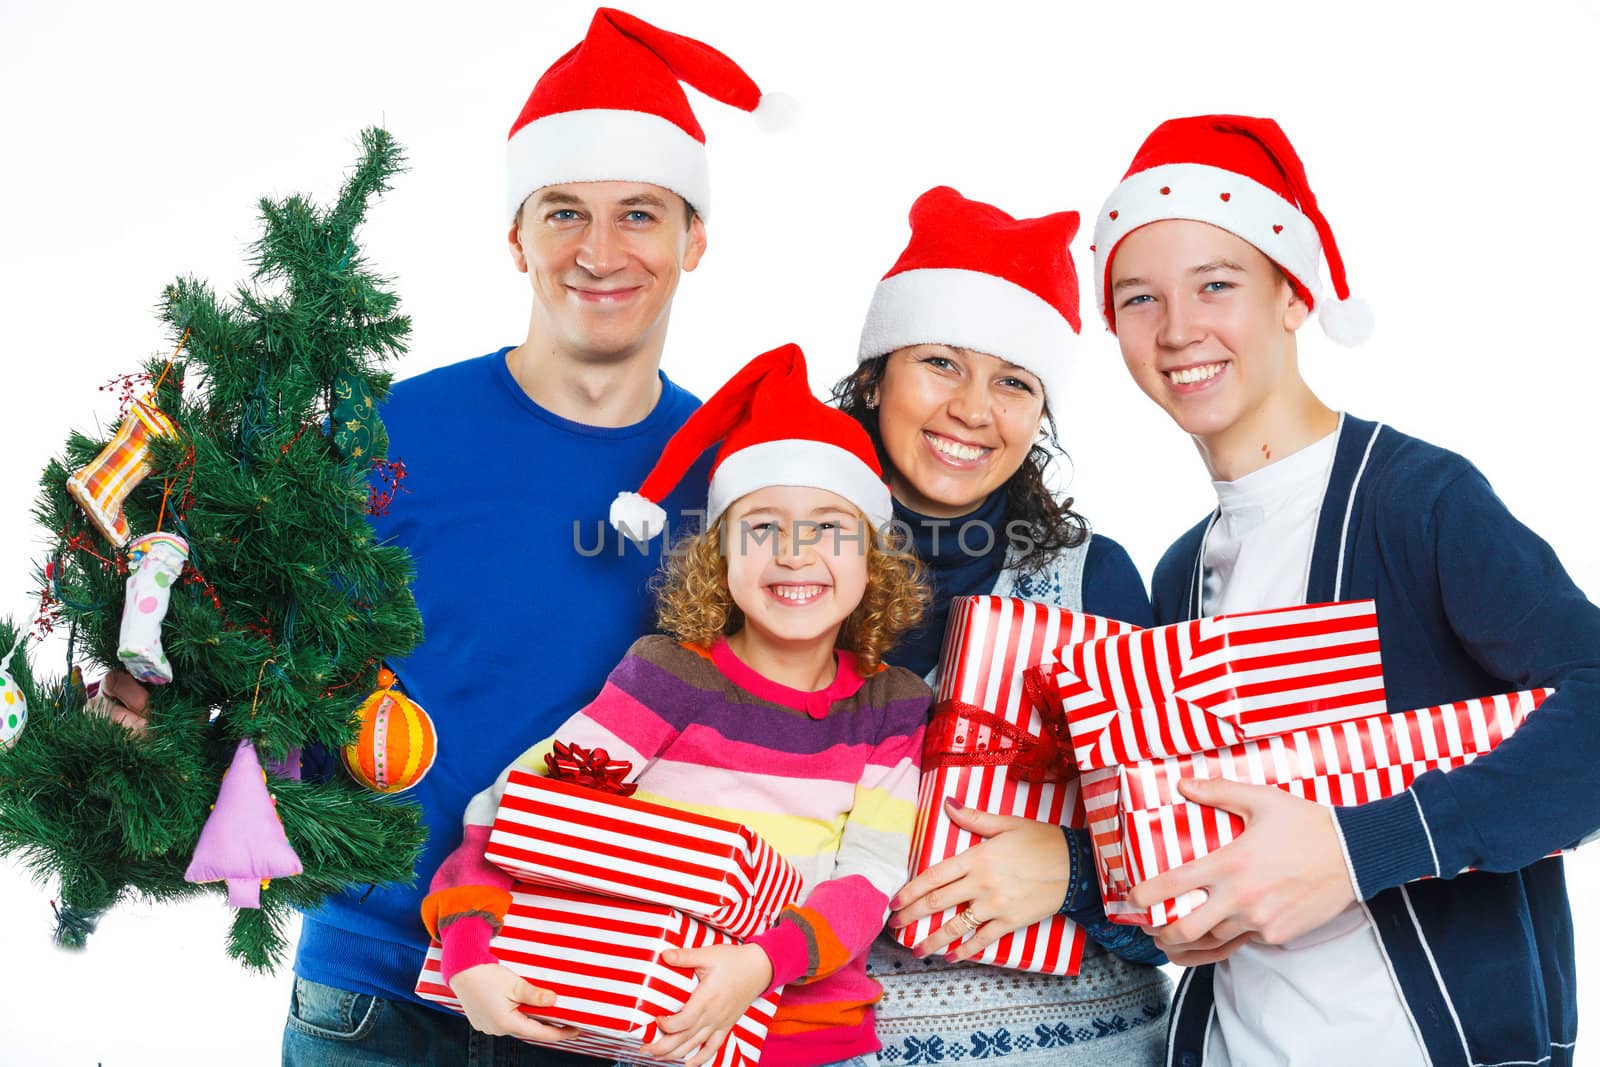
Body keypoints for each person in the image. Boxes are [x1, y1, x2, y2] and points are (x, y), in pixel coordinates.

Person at [90, 9, 786, 1065]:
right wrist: (148, 707)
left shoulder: (738, 480)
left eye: (640, 214)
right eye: (563, 214)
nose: (600, 253)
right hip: (374, 994)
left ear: (696, 237)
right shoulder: (387, 436)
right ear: (515, 235)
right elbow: (250, 622)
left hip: (612, 996)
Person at [1093, 114, 1600, 1067]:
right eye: (1137, 298)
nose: (1177, 330)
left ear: (1293, 295)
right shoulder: (1179, 570)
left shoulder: (1417, 503)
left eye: (1216, 284)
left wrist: (1364, 850)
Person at [422, 343, 934, 1067]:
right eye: (761, 527)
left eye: (828, 527)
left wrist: (760, 964)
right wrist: (468, 950)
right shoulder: (667, 678)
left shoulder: (891, 705)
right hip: (653, 1032)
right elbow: (519, 807)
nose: (793, 552)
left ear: (872, 559)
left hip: (813, 1043)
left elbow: (870, 875)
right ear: (720, 556)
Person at [833, 186, 1170, 1064]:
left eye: (1013, 380)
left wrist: (1072, 868)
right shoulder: (777, 568)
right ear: (874, 374)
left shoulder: (1091, 582)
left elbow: (1189, 880)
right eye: (941, 362)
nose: (975, 410)